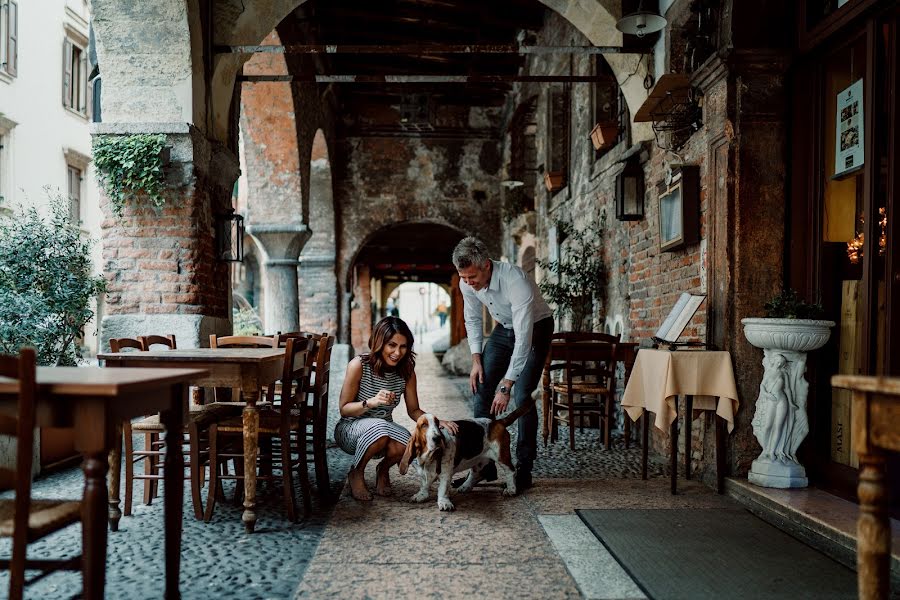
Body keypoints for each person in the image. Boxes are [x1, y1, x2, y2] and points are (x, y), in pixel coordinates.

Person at [452, 236, 554, 491]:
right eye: (463, 278)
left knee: (522, 395)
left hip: (536, 328)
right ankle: (482, 467)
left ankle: (524, 468)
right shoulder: (468, 282)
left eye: (471, 277)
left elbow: (523, 339)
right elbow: (473, 319)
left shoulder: (515, 281)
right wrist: (476, 359)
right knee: (481, 386)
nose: (468, 283)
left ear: (487, 265)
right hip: (504, 328)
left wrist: (507, 384)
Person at [334, 316, 457, 501]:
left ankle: (383, 470)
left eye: (403, 346)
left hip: (382, 431)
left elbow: (414, 410)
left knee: (409, 442)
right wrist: (371, 402)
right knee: (381, 427)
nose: (397, 352)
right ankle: (356, 473)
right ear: (379, 343)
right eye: (391, 345)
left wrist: (436, 422)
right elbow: (344, 409)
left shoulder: (406, 371)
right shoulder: (358, 365)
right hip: (350, 430)